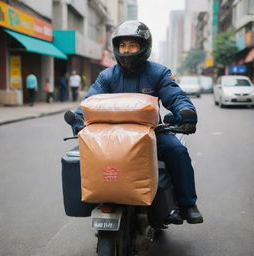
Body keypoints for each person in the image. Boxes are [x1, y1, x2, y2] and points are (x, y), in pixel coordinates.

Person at [70, 20, 203, 224]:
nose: (126, 50)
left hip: (151, 134)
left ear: (144, 47)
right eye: (122, 45)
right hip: (111, 136)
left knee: (177, 151)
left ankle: (187, 204)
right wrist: (79, 118)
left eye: (132, 45)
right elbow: (90, 101)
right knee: (81, 155)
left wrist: (186, 113)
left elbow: (175, 96)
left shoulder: (158, 73)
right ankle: (99, 198)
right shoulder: (107, 76)